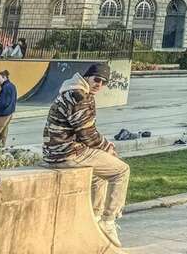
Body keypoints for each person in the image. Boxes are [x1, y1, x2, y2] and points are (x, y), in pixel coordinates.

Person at [42, 63, 128, 247]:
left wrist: (105, 146)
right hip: (67, 153)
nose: (99, 84)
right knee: (121, 171)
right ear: (87, 77)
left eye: (104, 82)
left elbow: (87, 131)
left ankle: (95, 217)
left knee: (100, 173)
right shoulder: (79, 96)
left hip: (56, 151)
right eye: (97, 79)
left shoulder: (72, 90)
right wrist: (108, 148)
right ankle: (108, 220)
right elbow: (87, 134)